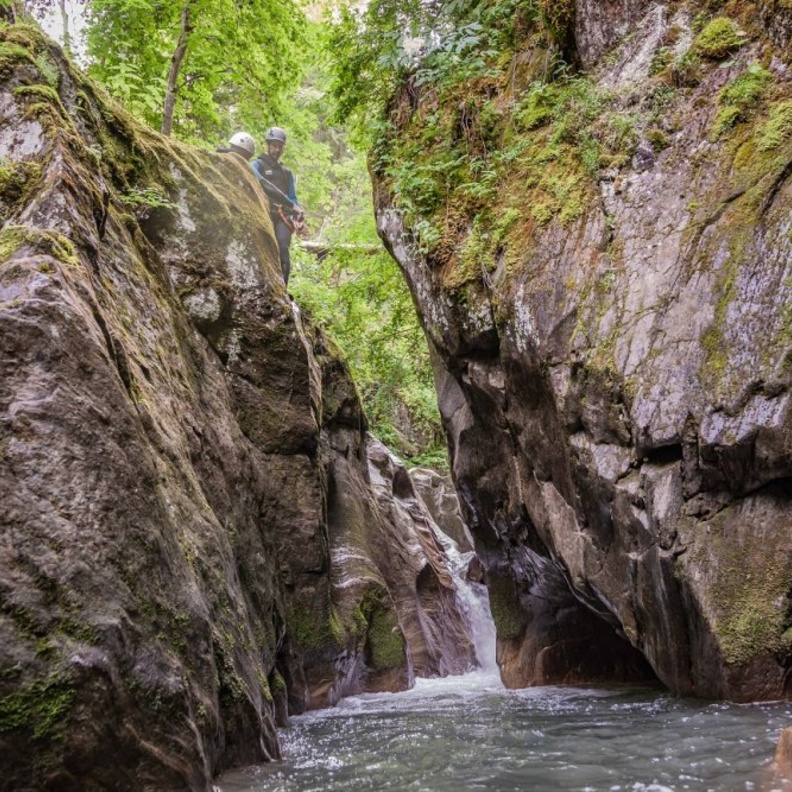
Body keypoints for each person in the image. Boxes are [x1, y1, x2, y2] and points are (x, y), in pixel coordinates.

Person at [251, 127, 304, 285]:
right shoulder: (257, 165)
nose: (276, 149)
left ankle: (283, 290)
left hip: (282, 216)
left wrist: (299, 215)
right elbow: (262, 183)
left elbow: (293, 197)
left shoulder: (287, 173)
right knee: (260, 248)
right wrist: (290, 204)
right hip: (263, 212)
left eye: (279, 146)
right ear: (267, 145)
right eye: (273, 145)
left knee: (282, 248)